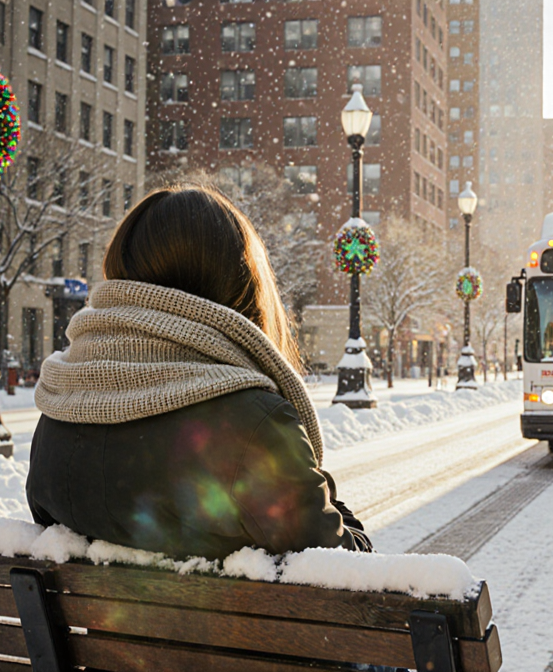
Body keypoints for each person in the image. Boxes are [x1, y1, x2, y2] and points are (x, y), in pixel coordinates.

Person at [28, 185, 372, 559]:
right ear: (238, 283)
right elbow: (346, 572)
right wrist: (327, 496)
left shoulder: (57, 415)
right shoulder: (254, 425)